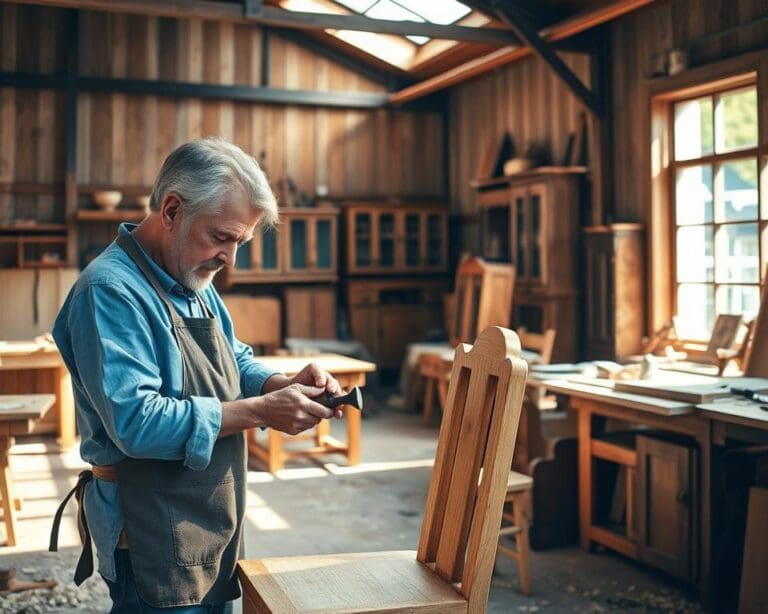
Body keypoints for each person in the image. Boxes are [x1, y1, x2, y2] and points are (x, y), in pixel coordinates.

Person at [49, 137, 342, 613]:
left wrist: (280, 384)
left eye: (240, 242)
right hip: (149, 527)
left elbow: (233, 359)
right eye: (221, 237)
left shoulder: (192, 278)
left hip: (210, 513)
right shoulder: (109, 291)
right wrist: (261, 411)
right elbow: (137, 423)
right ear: (171, 211)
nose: (229, 258)